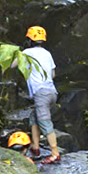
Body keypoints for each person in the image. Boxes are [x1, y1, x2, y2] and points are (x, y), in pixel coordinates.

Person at [20, 26, 61, 165]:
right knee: (34, 117)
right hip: (52, 92)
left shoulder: (26, 53)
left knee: (44, 121)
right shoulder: (47, 53)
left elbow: (15, 64)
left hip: (41, 93)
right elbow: (53, 74)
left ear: (29, 40)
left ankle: (55, 154)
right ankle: (35, 147)